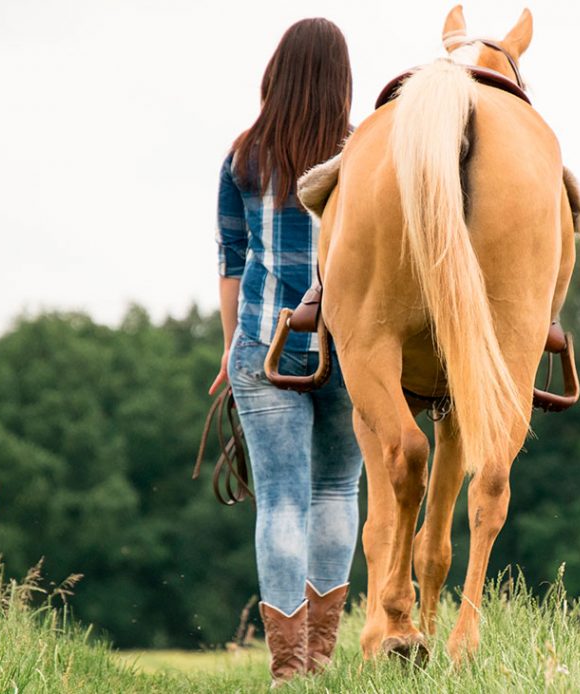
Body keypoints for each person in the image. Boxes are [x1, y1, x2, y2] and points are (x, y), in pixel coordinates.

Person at [210, 17, 362, 686]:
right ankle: (322, 664)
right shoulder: (364, 156)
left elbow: (232, 259)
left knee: (279, 499)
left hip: (265, 345)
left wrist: (230, 348)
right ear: (342, 80)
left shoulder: (244, 155)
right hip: (350, 343)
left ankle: (287, 672)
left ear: (276, 73)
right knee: (335, 488)